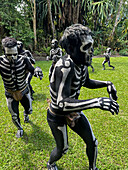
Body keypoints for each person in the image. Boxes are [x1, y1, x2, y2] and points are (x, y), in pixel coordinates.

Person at [47, 24, 119, 170]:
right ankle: (50, 163)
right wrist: (97, 102)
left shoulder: (81, 63)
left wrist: (107, 83)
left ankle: (93, 168)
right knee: (62, 149)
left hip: (75, 111)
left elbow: (86, 82)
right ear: (71, 49)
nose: (91, 51)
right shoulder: (65, 66)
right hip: (57, 115)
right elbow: (62, 103)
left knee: (92, 142)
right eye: (86, 47)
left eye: (91, 46)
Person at [0, 37, 43, 138]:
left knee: (29, 110)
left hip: (24, 91)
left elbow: (33, 69)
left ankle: (26, 113)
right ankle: (19, 128)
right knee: (14, 115)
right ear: (4, 52)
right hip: (10, 93)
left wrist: (37, 70)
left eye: (15, 54)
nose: (13, 57)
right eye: (9, 55)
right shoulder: (1, 62)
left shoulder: (24, 60)